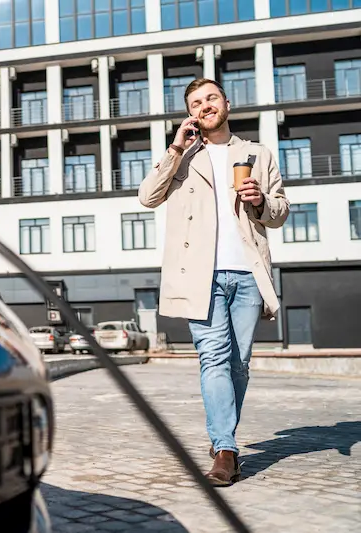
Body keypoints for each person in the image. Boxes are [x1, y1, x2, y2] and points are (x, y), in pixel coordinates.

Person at [138, 78, 290, 486]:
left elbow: (279, 212)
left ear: (226, 103)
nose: (205, 106)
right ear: (190, 112)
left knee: (238, 364)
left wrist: (260, 201)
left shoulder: (257, 153)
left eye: (211, 98)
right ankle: (225, 449)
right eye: (196, 102)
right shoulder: (184, 156)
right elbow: (147, 197)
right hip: (198, 275)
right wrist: (175, 148)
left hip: (247, 272)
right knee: (213, 359)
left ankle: (224, 438)